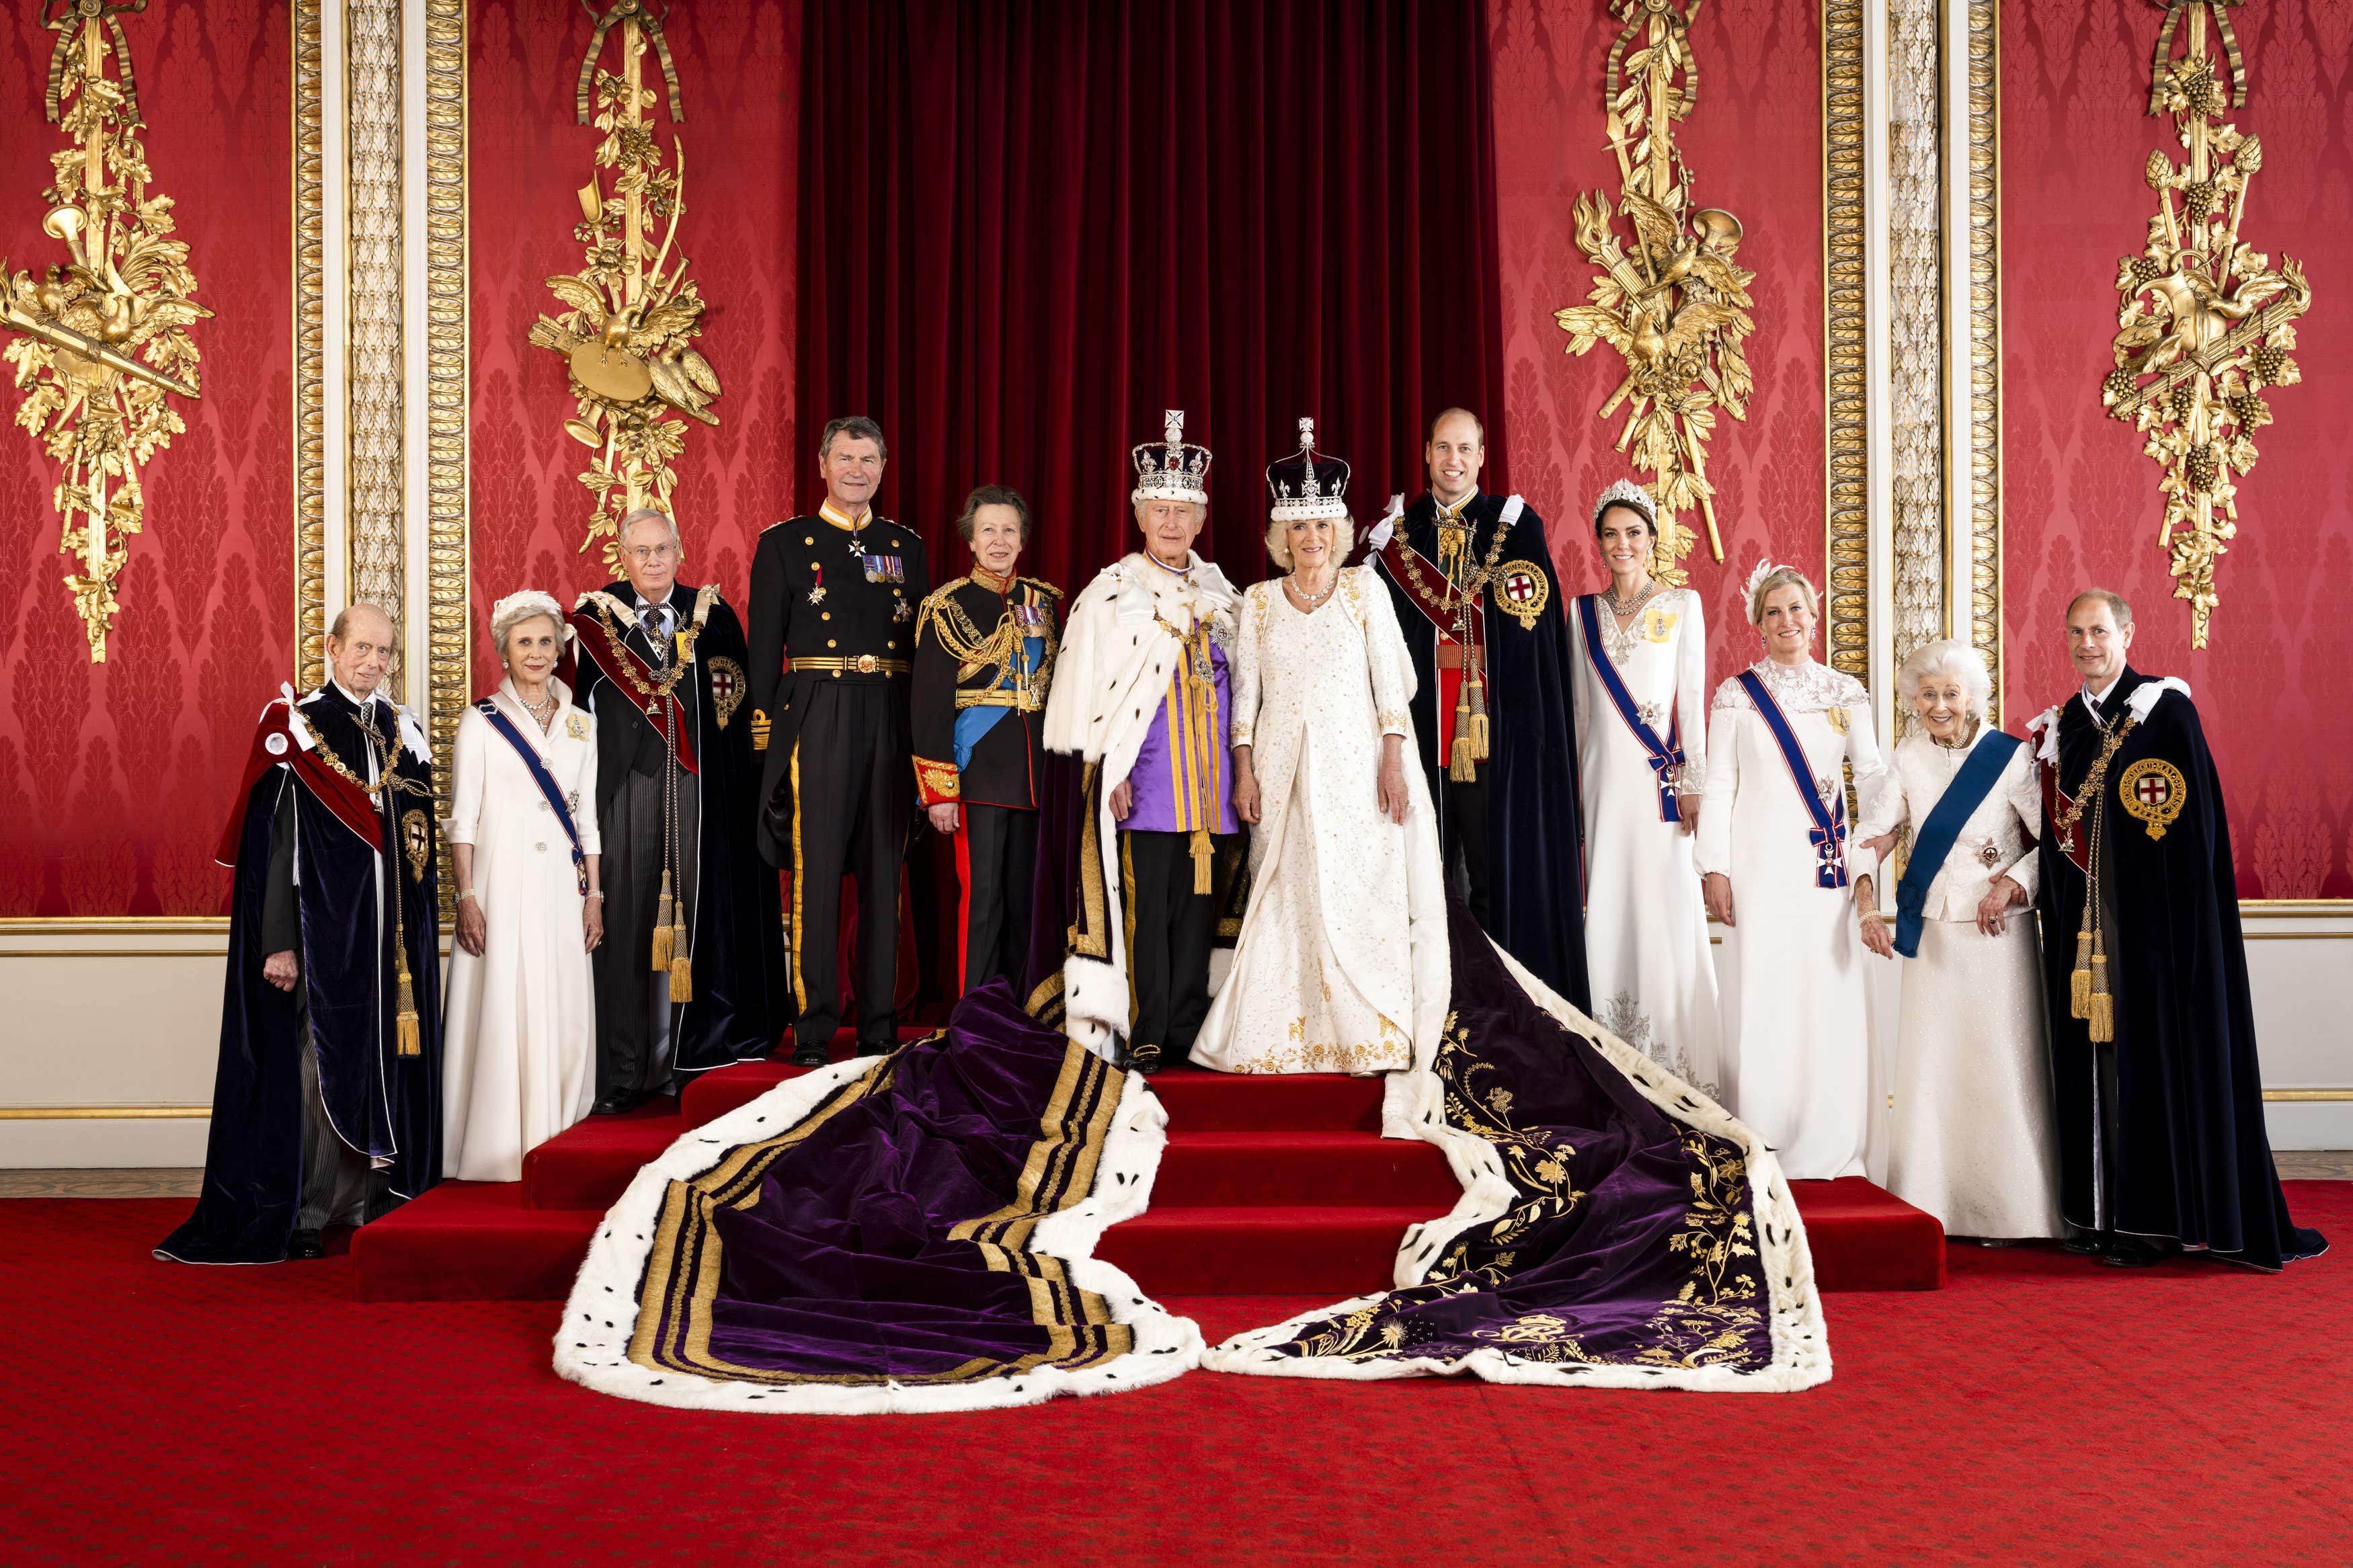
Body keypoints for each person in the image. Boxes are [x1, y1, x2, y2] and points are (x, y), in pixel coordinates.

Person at [2030, 589, 2325, 1269]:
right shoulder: (2061, 728)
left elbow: (2192, 838)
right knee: (2089, 1069)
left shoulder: (2164, 714)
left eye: (2098, 630)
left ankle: (2153, 1223)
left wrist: (2158, 925)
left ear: (2126, 633)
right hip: (2080, 938)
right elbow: (2052, 836)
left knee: (2146, 1068)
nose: (2086, 644)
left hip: (2154, 938)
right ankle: (2095, 1214)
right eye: (2074, 631)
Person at [157, 604, 442, 1264]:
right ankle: (310, 1210)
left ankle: (371, 1199)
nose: (373, 662)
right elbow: (275, 846)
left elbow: (416, 843)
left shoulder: (399, 730)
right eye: (362, 648)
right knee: (321, 1067)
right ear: (333, 648)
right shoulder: (296, 726)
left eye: (385, 651)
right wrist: (279, 941)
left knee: (381, 1063)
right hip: (322, 939)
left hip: (387, 943)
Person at [1194, 420, 1447, 1104]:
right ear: (1283, 535)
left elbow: (1391, 688)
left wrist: (1393, 761)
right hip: (1280, 770)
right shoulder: (1256, 601)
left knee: (1357, 889)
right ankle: (1279, 1034)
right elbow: (1243, 696)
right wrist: (1243, 769)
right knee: (1286, 891)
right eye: (1299, 528)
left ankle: (1364, 1030)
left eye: (1322, 526)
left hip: (1356, 765)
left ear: (1338, 531)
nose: (1311, 539)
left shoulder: (1365, 590)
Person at [1043, 410, 1244, 1073]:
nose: (1171, 521)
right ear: (1138, 514)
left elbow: (1251, 690)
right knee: (1145, 911)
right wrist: (1108, 770)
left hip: (1210, 790)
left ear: (1199, 518)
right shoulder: (1112, 594)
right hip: (1147, 784)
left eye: (1182, 510)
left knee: (1197, 914)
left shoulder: (1224, 594)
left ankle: (1188, 1023)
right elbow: (1089, 694)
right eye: (1159, 508)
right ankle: (1147, 1026)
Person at [1369, 407, 1589, 1009]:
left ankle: (1497, 1005)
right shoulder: (1397, 537)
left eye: (1465, 448)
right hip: (1418, 738)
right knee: (1425, 881)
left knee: (1494, 879)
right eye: (1443, 448)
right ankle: (1431, 1003)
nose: (1454, 461)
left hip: (1493, 736)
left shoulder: (1515, 528)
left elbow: (1534, 638)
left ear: (1482, 456)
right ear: (1427, 455)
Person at [570, 508, 778, 1114]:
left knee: (697, 918)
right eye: (641, 551)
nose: (653, 561)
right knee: (630, 924)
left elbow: (733, 715)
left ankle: (693, 1056)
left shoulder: (713, 620)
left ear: (680, 550)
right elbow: (578, 720)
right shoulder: (596, 619)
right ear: (623, 557)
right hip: (626, 792)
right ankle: (626, 1070)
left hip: (698, 791)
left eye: (663, 548)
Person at [1851, 639, 2059, 1241]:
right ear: (1912, 701)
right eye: (1927, 694)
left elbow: (2057, 842)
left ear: (1973, 695)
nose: (1939, 704)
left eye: (1950, 692)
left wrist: (2016, 884)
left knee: (2001, 1062)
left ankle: (2018, 1211)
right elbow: (1876, 831)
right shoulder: (1909, 755)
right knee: (1937, 1067)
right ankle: (1935, 1202)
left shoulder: (2012, 756)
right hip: (1938, 932)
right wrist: (1867, 901)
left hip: (1999, 932)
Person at [1695, 563, 1885, 1180]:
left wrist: (1877, 842)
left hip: (1825, 873)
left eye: (1797, 609)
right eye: (1773, 612)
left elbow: (1876, 777)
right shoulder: (1735, 693)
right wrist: (1715, 867)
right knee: (1766, 995)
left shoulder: (1846, 691)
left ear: (1815, 614)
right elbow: (1719, 785)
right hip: (1759, 868)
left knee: (1825, 997)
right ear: (1758, 623)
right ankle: (1765, 1133)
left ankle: (1831, 1139)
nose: (1787, 622)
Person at [752, 417, 931, 1065]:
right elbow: (761, 653)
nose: (857, 470)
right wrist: (770, 742)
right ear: (823, 466)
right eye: (846, 458)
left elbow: (922, 651)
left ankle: (880, 1023)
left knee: (886, 875)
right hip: (817, 710)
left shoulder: (905, 547)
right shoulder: (784, 545)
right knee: (817, 874)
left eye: (869, 460)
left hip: (888, 710)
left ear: (883, 469)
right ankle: (816, 1026)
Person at [1566, 479, 1722, 1095]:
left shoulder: (1682, 606)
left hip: (1661, 793)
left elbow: (1693, 705)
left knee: (1663, 911)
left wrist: (1694, 782)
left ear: (1653, 541)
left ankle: (1675, 1066)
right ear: (1599, 545)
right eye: (1611, 535)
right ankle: (1610, 1056)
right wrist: (1577, 791)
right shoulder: (1581, 614)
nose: (1622, 544)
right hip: (1605, 788)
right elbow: (1580, 711)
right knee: (1607, 903)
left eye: (1634, 533)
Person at [441, 592, 604, 1182]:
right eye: (524, 642)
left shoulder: (583, 724)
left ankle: (556, 1140)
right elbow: (462, 817)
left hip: (563, 889)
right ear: (505, 652)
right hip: (500, 883)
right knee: (505, 1001)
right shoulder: (480, 720)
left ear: (561, 648)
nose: (537, 653)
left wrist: (595, 895)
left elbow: (586, 819)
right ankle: (495, 1146)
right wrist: (467, 896)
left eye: (545, 642)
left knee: (559, 1003)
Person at [912, 485, 1060, 996]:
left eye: (1010, 530)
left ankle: (1022, 1009)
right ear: (971, 541)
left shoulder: (1042, 603)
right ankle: (975, 1015)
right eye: (988, 531)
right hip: (977, 775)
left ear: (1022, 540)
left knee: (1026, 902)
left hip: (1034, 775)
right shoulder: (945, 606)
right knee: (983, 902)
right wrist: (940, 790)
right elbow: (929, 705)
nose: (1000, 541)